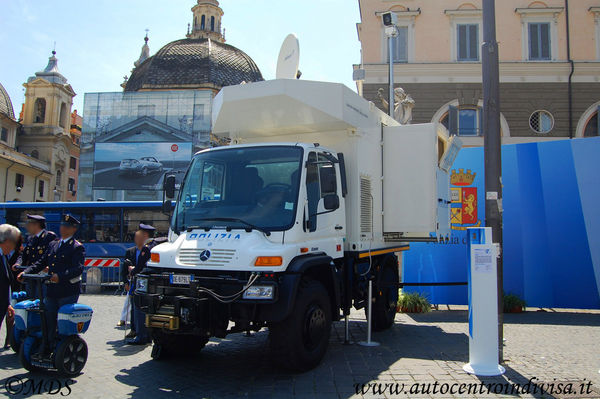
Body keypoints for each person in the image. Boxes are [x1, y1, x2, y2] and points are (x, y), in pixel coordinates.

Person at [18, 214, 84, 358]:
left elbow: (77, 269)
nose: (62, 228)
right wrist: (26, 272)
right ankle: (46, 347)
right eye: (62, 225)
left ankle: (62, 348)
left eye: (66, 226)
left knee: (63, 321)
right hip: (52, 290)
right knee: (47, 320)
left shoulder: (76, 247)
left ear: (73, 229)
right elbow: (41, 262)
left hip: (67, 291)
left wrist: (60, 276)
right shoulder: (54, 244)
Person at [125, 223, 156, 345]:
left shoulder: (147, 247)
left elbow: (140, 267)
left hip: (143, 282)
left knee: (139, 309)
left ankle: (141, 336)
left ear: (145, 235)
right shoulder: (157, 245)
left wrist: (132, 270)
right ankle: (146, 335)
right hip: (152, 283)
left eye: (138, 234)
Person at [13, 215, 57, 296]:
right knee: (30, 299)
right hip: (31, 274)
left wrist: (49, 266)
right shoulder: (31, 238)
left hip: (43, 275)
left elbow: (52, 254)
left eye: (29, 224)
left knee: (40, 299)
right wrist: (18, 263)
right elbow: (24, 254)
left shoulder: (49, 237)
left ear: (36, 225)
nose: (27, 227)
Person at [0, 225, 21, 339]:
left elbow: (6, 281)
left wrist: (7, 303)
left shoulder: (3, 256)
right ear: (7, 241)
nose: (14, 247)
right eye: (14, 242)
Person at [4, 234, 23, 349]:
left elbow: (21, 261)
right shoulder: (2, 253)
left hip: (14, 288)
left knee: (10, 315)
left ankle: (8, 338)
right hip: (3, 287)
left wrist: (18, 266)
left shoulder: (19, 254)